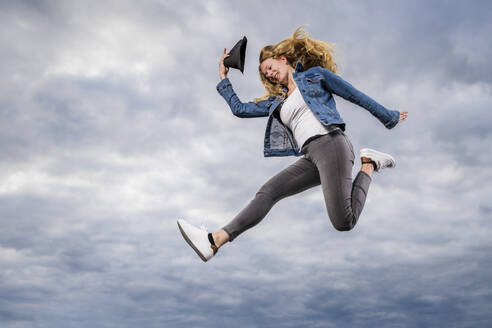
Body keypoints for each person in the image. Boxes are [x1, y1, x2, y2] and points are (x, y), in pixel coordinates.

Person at [177, 27, 408, 262]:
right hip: (310, 156)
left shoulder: (315, 76)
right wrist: (224, 77)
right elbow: (240, 109)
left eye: (269, 68)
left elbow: (354, 95)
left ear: (282, 60)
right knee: (268, 192)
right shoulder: (277, 102)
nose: (269, 74)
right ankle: (214, 241)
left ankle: (369, 164)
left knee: (343, 222)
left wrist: (388, 116)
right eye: (265, 74)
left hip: (332, 144)